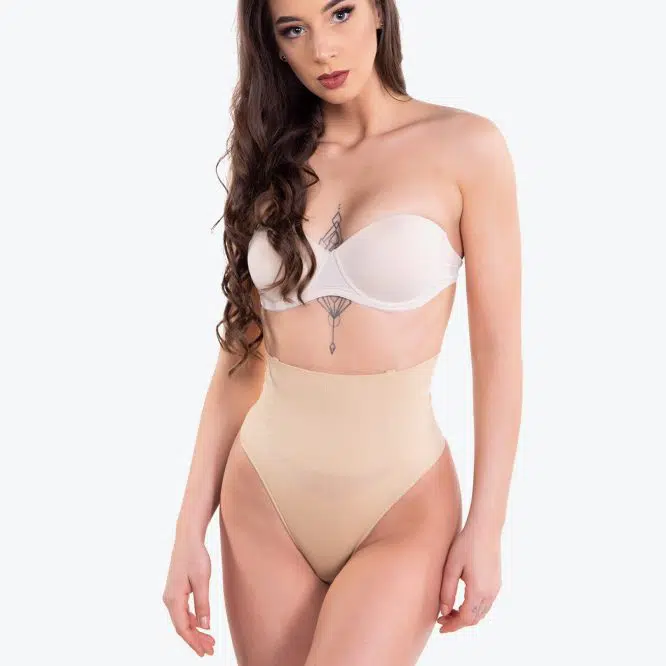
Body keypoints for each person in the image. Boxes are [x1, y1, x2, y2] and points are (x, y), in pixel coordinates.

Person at [162, 0, 522, 663]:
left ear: (380, 12)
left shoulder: (467, 147)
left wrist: (488, 524)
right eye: (293, 29)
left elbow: (498, 353)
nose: (323, 49)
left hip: (402, 503)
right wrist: (189, 527)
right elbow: (241, 356)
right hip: (264, 495)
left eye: (341, 13)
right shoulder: (270, 157)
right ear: (273, 44)